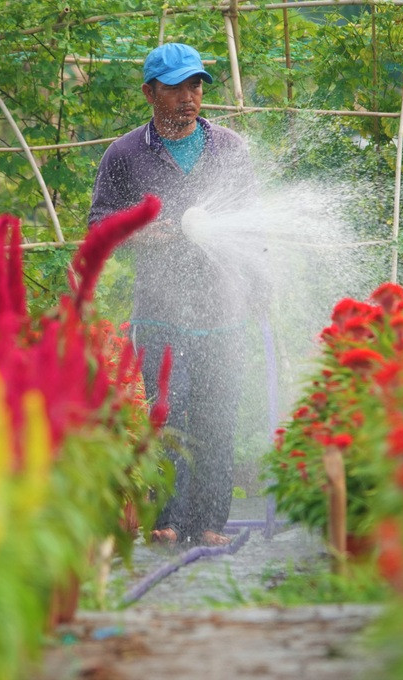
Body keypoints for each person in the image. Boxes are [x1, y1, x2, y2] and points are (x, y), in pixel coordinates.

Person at [89, 43, 259, 546]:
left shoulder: (230, 148)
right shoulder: (125, 154)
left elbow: (252, 223)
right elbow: (100, 224)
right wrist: (145, 232)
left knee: (216, 419)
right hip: (160, 312)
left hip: (223, 309)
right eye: (176, 88)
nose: (189, 97)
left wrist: (257, 286)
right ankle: (166, 520)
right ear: (149, 93)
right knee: (166, 415)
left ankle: (209, 525)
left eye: (197, 86)